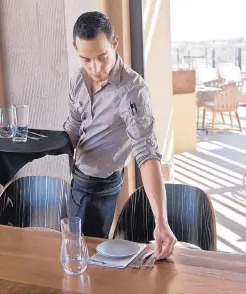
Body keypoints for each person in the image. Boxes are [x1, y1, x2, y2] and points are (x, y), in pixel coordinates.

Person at [63, 11, 176, 260]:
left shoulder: (132, 91)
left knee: (87, 260)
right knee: (76, 254)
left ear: (114, 43)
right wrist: (41, 146)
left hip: (103, 184)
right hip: (77, 177)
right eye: (86, 59)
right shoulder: (78, 80)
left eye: (102, 57)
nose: (95, 68)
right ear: (76, 50)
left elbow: (147, 154)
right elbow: (73, 125)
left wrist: (161, 221)